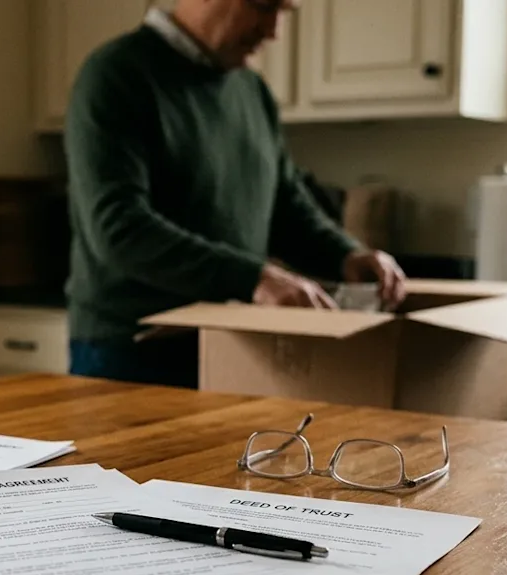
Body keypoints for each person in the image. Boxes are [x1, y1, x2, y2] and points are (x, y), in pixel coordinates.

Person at [64, 0, 407, 389]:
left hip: (230, 343)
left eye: (282, 12)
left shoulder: (252, 91)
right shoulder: (116, 75)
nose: (274, 31)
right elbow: (118, 228)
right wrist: (253, 278)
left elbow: (285, 207)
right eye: (263, 7)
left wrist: (346, 255)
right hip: (130, 352)